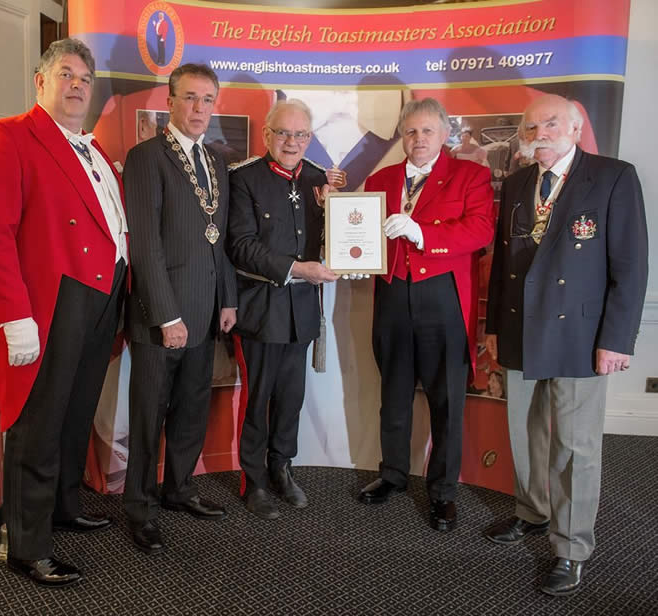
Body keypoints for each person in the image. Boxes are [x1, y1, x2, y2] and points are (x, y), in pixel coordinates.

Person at [0, 38, 128, 587]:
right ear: (41, 82)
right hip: (51, 301)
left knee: (76, 412)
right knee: (37, 424)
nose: (78, 84)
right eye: (66, 73)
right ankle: (26, 544)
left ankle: (62, 507)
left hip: (100, 298)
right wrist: (14, 316)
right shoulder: (9, 135)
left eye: (86, 77)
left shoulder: (96, 149)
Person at [484, 94, 648, 596]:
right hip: (519, 330)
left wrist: (617, 340)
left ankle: (572, 546)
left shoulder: (614, 176)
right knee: (525, 435)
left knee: (576, 448)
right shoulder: (515, 183)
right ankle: (532, 512)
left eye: (550, 123)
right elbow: (502, 266)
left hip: (581, 336)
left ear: (576, 128)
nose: (538, 133)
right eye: (530, 126)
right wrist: (493, 327)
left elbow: (631, 266)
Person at [359, 98, 495, 532]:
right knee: (394, 395)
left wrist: (423, 232)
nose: (418, 140)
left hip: (444, 297)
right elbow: (360, 232)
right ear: (402, 135)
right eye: (411, 132)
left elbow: (481, 230)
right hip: (393, 295)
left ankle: (442, 493)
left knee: (447, 401)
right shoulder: (381, 178)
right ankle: (393, 475)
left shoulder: (471, 175)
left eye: (427, 132)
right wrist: (354, 256)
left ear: (444, 135)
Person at [122, 64, 237, 554]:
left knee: (191, 409)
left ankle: (179, 489)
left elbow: (220, 239)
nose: (198, 109)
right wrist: (167, 317)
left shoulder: (215, 162)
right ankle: (140, 508)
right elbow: (145, 245)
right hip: (160, 317)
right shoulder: (146, 157)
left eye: (206, 100)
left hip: (206, 310)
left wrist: (227, 297)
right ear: (170, 101)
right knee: (150, 413)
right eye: (189, 98)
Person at [227, 99, 339, 520]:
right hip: (260, 309)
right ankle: (253, 480)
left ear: (310, 138)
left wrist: (338, 222)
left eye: (301, 135)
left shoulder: (317, 180)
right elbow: (240, 245)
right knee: (258, 400)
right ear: (266, 135)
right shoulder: (244, 179)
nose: (292, 142)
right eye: (283, 133)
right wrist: (296, 268)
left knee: (291, 397)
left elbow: (332, 239)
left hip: (302, 310)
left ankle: (281, 467)